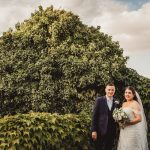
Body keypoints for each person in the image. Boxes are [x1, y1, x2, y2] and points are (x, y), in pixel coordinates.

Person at [91, 83, 117, 150]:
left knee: (109, 148)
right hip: (100, 131)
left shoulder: (116, 102)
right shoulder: (99, 100)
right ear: (105, 90)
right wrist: (94, 130)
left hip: (111, 131)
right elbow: (94, 116)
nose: (110, 91)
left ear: (114, 91)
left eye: (112, 90)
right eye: (109, 90)